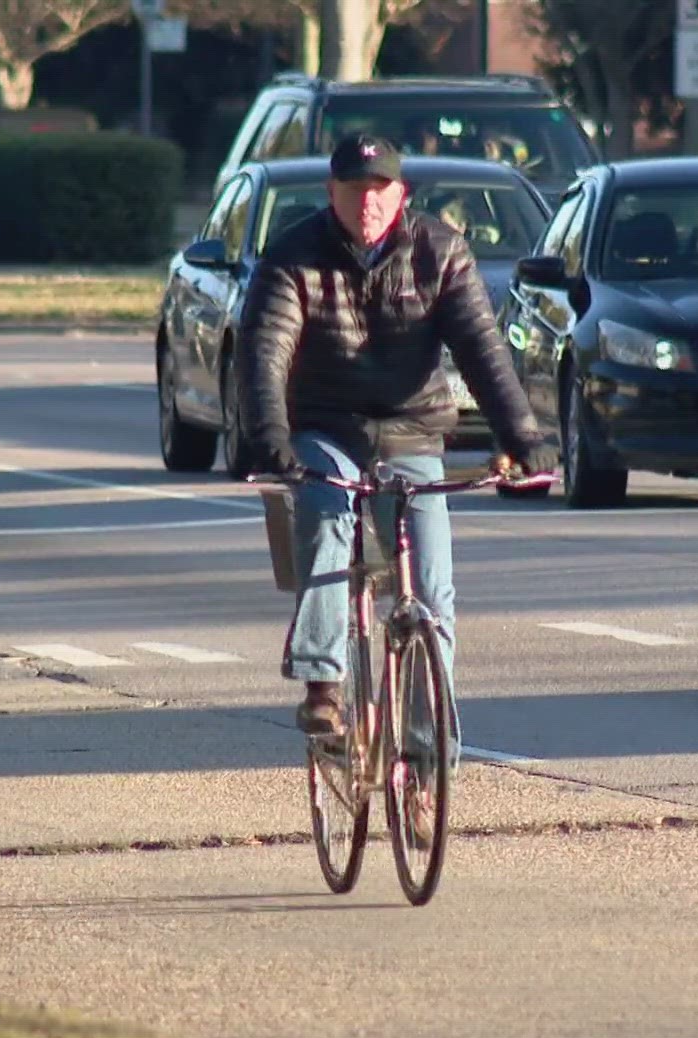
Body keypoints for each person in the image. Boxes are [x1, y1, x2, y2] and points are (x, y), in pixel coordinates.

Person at [238, 133, 558, 738]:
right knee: (328, 517)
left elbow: (483, 351)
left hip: (412, 432)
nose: (368, 203)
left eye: (380, 190)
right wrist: (271, 434)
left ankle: (424, 750)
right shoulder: (292, 257)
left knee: (432, 591)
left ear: (401, 194)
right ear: (331, 192)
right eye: (354, 190)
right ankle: (323, 683)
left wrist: (521, 435)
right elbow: (265, 354)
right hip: (326, 428)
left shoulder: (440, 250)